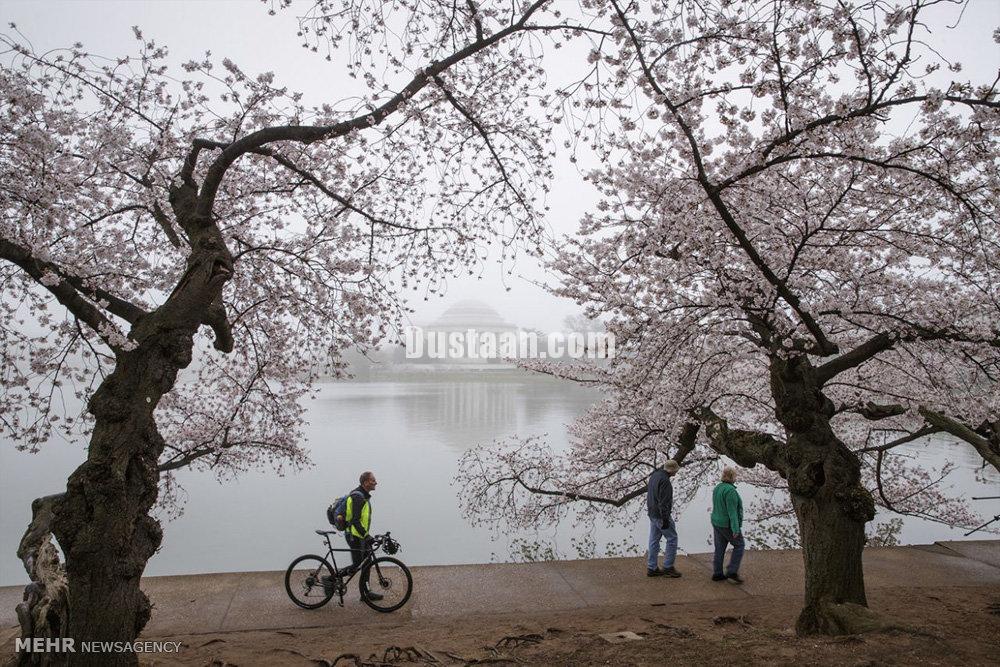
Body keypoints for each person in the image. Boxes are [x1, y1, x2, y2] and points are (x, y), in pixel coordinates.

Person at [327, 471, 383, 601]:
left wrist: (366, 536)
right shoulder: (358, 497)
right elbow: (355, 520)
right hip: (354, 536)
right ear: (365, 483)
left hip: (360, 535)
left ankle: (366, 593)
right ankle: (332, 578)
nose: (376, 482)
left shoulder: (364, 496)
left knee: (367, 562)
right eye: (373, 480)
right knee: (357, 564)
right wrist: (366, 535)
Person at [646, 459, 681, 578]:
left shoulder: (654, 476)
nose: (676, 473)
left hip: (652, 513)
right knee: (672, 538)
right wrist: (665, 519)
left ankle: (652, 567)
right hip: (660, 515)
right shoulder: (665, 482)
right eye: (675, 471)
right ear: (672, 471)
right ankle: (668, 567)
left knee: (654, 540)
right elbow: (664, 502)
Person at [710, 466, 745, 584]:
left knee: (719, 548)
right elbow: (732, 512)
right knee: (739, 545)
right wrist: (735, 529)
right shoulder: (730, 491)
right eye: (735, 475)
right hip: (726, 524)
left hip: (716, 522)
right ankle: (732, 570)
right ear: (732, 476)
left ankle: (717, 573)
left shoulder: (717, 488)